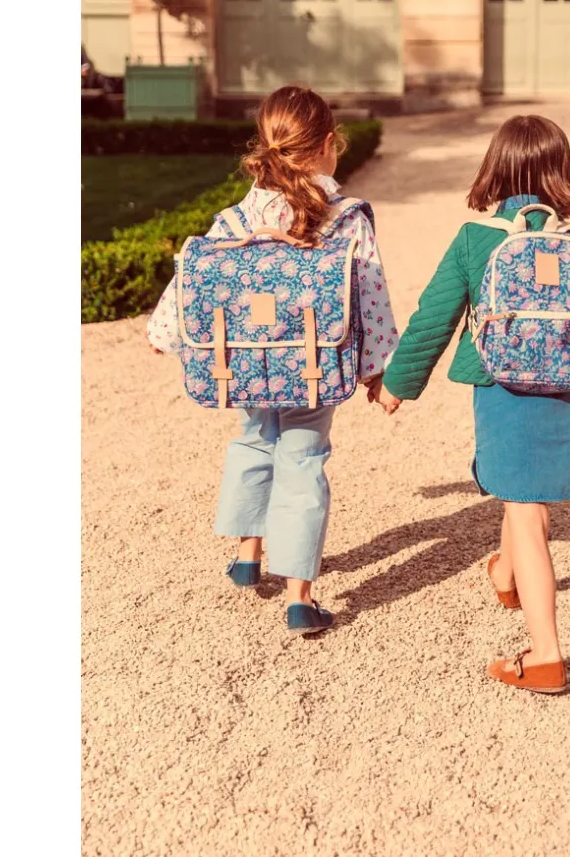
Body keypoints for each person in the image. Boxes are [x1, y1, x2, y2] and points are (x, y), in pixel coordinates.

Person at [377, 115, 570, 693]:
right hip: (563, 386)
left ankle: (547, 656)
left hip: (501, 387)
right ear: (561, 172)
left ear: (495, 169)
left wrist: (397, 384)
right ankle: (506, 576)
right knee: (527, 494)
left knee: (526, 510)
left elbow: (434, 317)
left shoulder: (476, 240)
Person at [146, 86, 400, 635]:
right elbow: (370, 295)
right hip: (313, 363)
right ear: (330, 144)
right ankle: (299, 598)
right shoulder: (346, 218)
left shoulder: (239, 215)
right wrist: (378, 370)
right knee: (303, 458)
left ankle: (247, 556)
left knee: (254, 439)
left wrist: (163, 331)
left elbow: (196, 275)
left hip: (246, 363)